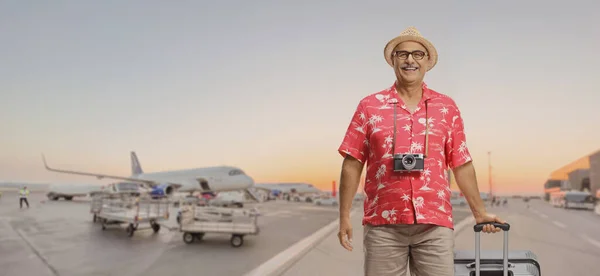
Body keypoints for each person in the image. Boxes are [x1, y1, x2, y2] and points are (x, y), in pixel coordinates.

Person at [336, 26, 506, 276]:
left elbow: (461, 163)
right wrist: (344, 217)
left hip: (434, 225)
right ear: (393, 60)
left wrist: (479, 213)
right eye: (402, 54)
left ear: (427, 62)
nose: (409, 60)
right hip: (383, 224)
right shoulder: (369, 106)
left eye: (417, 54)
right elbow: (352, 163)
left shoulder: (447, 107)